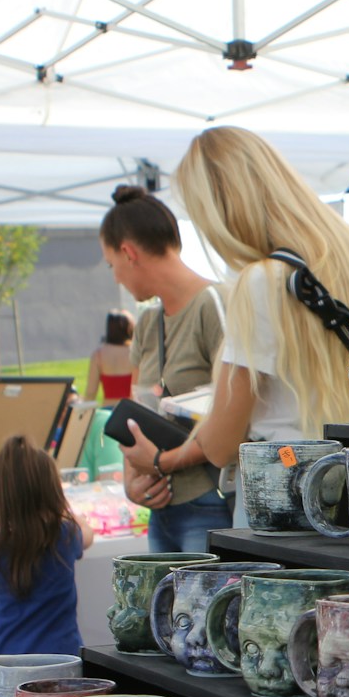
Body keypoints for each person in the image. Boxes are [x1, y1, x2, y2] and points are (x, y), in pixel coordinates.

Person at [121, 126, 349, 501]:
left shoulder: (260, 282)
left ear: (221, 210)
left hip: (287, 491)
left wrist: (163, 456)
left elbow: (221, 444)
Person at [98, 183, 230, 552]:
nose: (116, 277)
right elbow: (135, 413)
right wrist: (132, 481)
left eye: (112, 265)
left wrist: (159, 461)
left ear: (128, 253)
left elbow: (235, 419)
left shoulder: (214, 305)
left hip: (211, 503)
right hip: (161, 508)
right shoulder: (147, 322)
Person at [0, 435, 95, 655]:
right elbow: (88, 535)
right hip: (64, 657)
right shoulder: (65, 535)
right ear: (53, 492)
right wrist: (68, 511)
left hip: (10, 660)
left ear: (0, 498)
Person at [82, 310, 137, 402]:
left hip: (108, 410)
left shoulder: (98, 354)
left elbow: (91, 393)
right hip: (130, 409)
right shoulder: (135, 352)